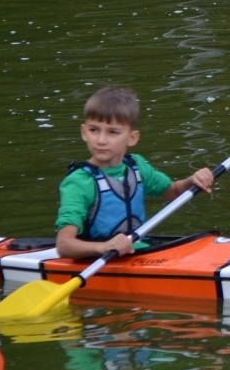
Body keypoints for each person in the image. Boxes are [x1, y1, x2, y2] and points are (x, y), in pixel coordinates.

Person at [55, 86, 214, 259]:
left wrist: (193, 180)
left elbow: (174, 191)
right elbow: (64, 245)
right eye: (94, 130)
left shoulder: (136, 166)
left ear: (132, 138)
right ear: (84, 132)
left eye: (113, 132)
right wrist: (105, 247)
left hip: (137, 252)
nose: (101, 140)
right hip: (96, 259)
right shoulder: (79, 182)